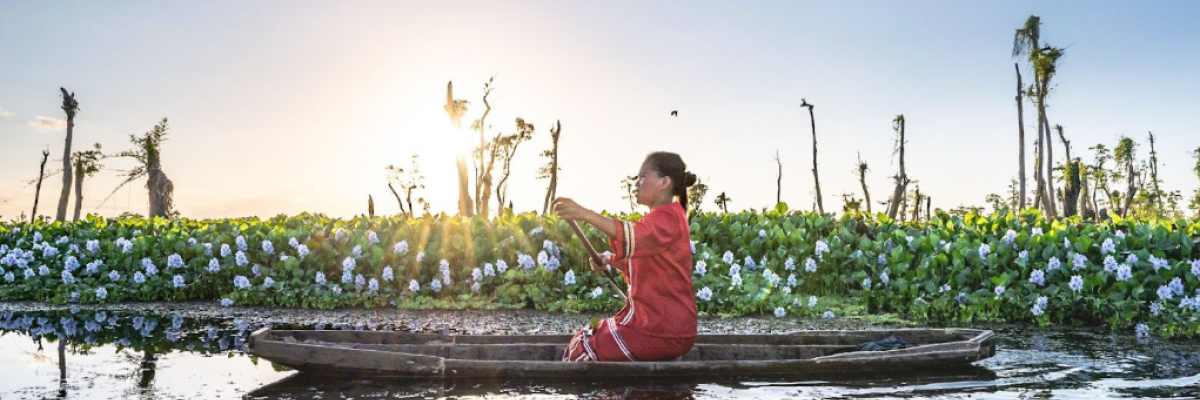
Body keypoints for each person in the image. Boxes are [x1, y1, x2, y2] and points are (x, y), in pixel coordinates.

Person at [553, 151, 698, 362]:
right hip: (660, 326)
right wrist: (610, 260)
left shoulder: (668, 218)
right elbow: (650, 264)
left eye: (642, 177)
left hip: (662, 330)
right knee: (586, 336)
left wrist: (585, 214)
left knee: (584, 348)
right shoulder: (664, 217)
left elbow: (633, 235)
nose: (636, 183)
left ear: (664, 182)